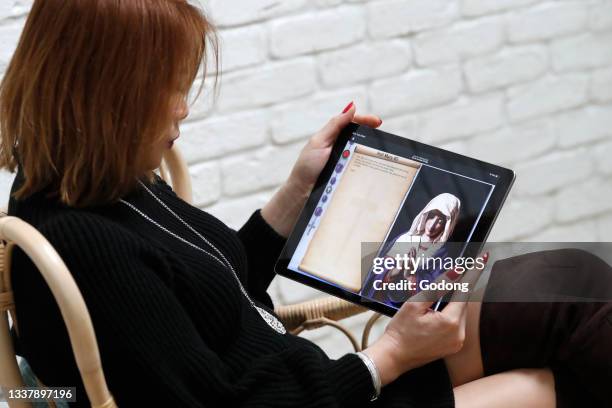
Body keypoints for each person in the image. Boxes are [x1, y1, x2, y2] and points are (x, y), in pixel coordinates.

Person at [0, 1, 610, 407]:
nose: (182, 108)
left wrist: (297, 192)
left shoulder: (98, 178)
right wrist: (388, 356)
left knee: (572, 280)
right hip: (323, 395)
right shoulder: (82, 243)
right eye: (168, 90)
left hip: (314, 379)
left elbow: (214, 295)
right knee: (546, 378)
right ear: (107, 96)